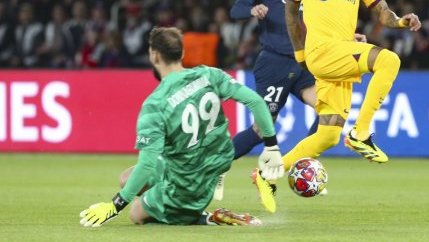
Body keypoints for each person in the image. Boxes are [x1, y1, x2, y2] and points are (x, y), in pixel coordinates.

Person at [79, 26, 284, 227]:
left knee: (136, 213)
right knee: (126, 179)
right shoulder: (210, 75)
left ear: (154, 56)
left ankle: (206, 217)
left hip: (189, 184)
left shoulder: (155, 105)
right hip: (211, 168)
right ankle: (177, 202)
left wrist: (114, 206)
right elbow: (256, 102)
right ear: (182, 52)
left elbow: (147, 164)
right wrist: (271, 146)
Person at [283, 0, 421, 170]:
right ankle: (361, 133)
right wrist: (300, 54)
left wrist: (402, 21)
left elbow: (383, 12)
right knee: (389, 60)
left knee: (328, 135)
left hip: (340, 53)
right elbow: (291, 15)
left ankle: (267, 174)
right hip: (321, 51)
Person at [226, 0, 334, 210]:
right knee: (262, 130)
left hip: (304, 62)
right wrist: (252, 10)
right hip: (274, 62)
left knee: (330, 112)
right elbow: (236, 9)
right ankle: (213, 164)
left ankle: (303, 164)